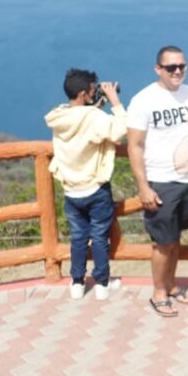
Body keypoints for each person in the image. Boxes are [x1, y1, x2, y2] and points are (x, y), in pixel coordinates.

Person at [127, 46, 188, 317]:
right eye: (171, 67)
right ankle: (158, 292)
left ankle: (171, 284)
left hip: (187, 178)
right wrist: (143, 186)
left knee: (175, 238)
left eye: (181, 66)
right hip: (160, 181)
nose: (177, 71)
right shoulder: (143, 100)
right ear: (158, 69)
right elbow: (135, 145)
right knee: (162, 242)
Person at [45, 68, 126, 300]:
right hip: (95, 188)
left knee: (78, 237)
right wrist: (115, 102)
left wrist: (94, 105)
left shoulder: (59, 117)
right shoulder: (93, 118)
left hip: (71, 190)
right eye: (92, 90)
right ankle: (101, 284)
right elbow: (118, 130)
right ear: (83, 93)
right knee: (100, 236)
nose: (95, 92)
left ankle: (77, 282)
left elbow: (79, 121)